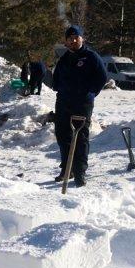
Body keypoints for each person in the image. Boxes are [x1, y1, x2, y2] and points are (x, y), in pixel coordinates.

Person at [52, 25, 108, 187]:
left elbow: (102, 77)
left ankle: (80, 171)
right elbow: (56, 79)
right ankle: (67, 169)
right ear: (66, 41)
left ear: (82, 38)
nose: (73, 40)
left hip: (82, 103)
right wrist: (60, 91)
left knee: (80, 137)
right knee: (63, 135)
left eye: (76, 37)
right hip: (63, 102)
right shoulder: (64, 59)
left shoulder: (90, 56)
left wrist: (90, 93)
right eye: (70, 38)